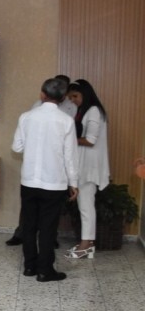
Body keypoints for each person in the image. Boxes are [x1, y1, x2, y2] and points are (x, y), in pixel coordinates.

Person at [12, 78, 78, 282]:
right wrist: (74, 183)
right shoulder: (66, 121)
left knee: (29, 225)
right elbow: (70, 156)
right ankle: (45, 270)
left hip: (29, 181)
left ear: (42, 94)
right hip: (54, 182)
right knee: (48, 228)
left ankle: (29, 266)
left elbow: (16, 147)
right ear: (63, 97)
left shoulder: (26, 117)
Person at [65, 80, 110, 259]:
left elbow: (90, 140)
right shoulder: (87, 110)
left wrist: (68, 139)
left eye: (75, 96)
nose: (73, 100)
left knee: (85, 206)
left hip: (89, 165)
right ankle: (87, 243)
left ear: (85, 93)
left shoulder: (94, 111)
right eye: (70, 98)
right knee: (84, 204)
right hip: (84, 163)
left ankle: (86, 244)